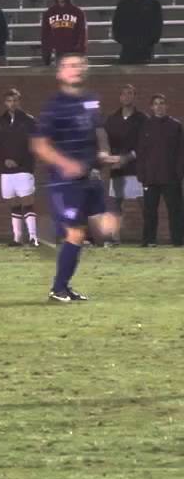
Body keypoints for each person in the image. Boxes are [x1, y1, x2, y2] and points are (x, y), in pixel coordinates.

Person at [30, 53, 121, 303]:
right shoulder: (55, 106)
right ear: (59, 73)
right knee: (74, 233)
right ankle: (57, 289)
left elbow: (98, 130)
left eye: (79, 65)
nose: (75, 69)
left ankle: (63, 287)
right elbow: (39, 145)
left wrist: (103, 153)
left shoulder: (91, 101)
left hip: (89, 178)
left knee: (104, 228)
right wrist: (67, 164)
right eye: (69, 66)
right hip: (64, 182)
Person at [0, 89, 38, 246]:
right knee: (13, 202)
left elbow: (34, 144)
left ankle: (33, 237)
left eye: (15, 100)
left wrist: (18, 159)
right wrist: (4, 160)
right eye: (9, 101)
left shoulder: (29, 121)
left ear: (20, 101)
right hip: (6, 170)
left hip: (24, 168)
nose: (12, 104)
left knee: (27, 201)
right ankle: (17, 237)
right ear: (5, 103)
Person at [135, 94, 184, 247]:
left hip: (171, 177)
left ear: (166, 106)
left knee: (175, 211)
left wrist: (179, 173)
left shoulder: (176, 126)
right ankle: (149, 241)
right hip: (150, 177)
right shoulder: (145, 126)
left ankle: (178, 241)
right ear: (151, 107)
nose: (159, 106)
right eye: (156, 104)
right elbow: (141, 152)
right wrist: (141, 174)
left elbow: (181, 152)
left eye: (162, 103)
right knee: (149, 211)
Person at [104, 83, 146, 245]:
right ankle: (114, 238)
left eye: (130, 93)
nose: (127, 96)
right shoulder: (112, 119)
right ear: (120, 97)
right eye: (124, 94)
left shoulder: (142, 119)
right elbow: (105, 143)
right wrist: (112, 160)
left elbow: (144, 145)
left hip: (137, 170)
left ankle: (148, 238)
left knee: (145, 205)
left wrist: (127, 158)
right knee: (114, 206)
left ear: (134, 97)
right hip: (117, 171)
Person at [112, 0, 163, 66]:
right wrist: (124, 40)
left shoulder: (153, 2)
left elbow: (158, 25)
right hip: (128, 49)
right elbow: (116, 24)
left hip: (146, 49)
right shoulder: (124, 3)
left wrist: (151, 41)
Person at [40, 0, 86, 67]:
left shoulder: (78, 12)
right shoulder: (49, 13)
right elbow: (45, 35)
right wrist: (46, 55)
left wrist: (79, 52)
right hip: (57, 54)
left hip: (73, 55)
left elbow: (82, 33)